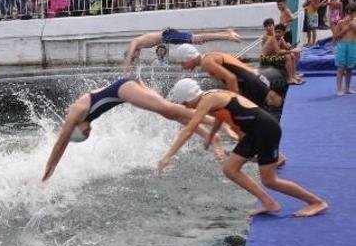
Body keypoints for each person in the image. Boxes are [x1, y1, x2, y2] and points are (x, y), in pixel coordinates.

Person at [158, 78, 328, 217]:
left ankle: (316, 202)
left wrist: (167, 157)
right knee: (230, 169)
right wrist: (210, 136)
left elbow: (188, 130)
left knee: (270, 180)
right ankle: (269, 203)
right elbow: (220, 116)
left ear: (189, 98)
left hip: (266, 130)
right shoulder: (211, 97)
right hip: (254, 132)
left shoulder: (207, 100)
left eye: (185, 103)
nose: (186, 107)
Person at [42, 78, 226, 182]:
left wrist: (50, 168)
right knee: (168, 113)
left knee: (169, 109)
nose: (88, 131)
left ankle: (216, 120)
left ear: (77, 128)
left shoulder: (76, 112)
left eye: (85, 133)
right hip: (127, 87)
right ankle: (212, 135)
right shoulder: (81, 114)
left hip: (124, 89)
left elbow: (60, 143)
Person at [122, 28, 241, 69]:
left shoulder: (135, 42)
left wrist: (124, 72)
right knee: (200, 41)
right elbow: (132, 61)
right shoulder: (139, 46)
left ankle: (228, 35)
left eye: (134, 56)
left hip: (168, 36)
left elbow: (128, 59)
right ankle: (226, 34)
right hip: (169, 37)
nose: (137, 56)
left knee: (197, 39)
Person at [260, 19, 304, 85]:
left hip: (272, 55)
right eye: (276, 32)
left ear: (283, 33)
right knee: (288, 56)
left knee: (293, 54)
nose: (277, 34)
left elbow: (286, 47)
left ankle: (293, 74)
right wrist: (291, 50)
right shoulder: (273, 38)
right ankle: (289, 78)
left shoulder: (281, 38)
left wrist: (290, 47)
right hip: (265, 58)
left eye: (279, 32)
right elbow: (278, 52)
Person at [332, 2, 356, 95]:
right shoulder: (341, 23)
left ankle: (347, 88)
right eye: (349, 13)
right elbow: (335, 36)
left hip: (352, 45)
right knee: (341, 67)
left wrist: (352, 26)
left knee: (350, 68)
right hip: (342, 45)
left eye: (352, 13)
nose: (351, 15)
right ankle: (339, 88)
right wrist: (346, 29)